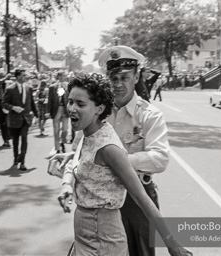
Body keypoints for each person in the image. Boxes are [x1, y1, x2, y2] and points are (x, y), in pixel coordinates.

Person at [55, 45, 178, 256]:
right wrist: (70, 178)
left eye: (125, 77)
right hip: (98, 202)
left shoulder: (149, 114)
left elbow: (160, 159)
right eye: (113, 78)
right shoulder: (95, 109)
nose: (118, 84)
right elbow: (78, 151)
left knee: (141, 251)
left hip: (136, 197)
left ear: (136, 76)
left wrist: (114, 161)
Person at [2, 69, 38, 170]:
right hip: (14, 119)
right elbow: (4, 103)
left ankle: (22, 161)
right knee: (15, 141)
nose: (25, 77)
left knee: (24, 138)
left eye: (25, 75)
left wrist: (36, 115)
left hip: (26, 118)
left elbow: (31, 103)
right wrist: (13, 108)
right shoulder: (10, 89)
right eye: (23, 75)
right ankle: (15, 158)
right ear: (17, 77)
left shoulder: (28, 88)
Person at [47, 71, 69, 153]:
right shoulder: (52, 87)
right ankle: (57, 148)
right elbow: (49, 100)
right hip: (56, 109)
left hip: (65, 109)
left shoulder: (68, 86)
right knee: (56, 129)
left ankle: (62, 142)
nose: (63, 77)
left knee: (65, 129)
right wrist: (48, 111)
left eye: (64, 76)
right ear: (58, 77)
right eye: (62, 76)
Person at [0, 72, 11, 147]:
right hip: (1, 103)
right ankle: (6, 140)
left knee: (8, 122)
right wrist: (5, 78)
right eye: (1, 76)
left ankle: (8, 137)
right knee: (2, 123)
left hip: (7, 103)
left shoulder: (8, 84)